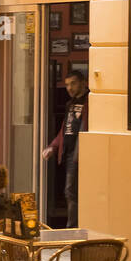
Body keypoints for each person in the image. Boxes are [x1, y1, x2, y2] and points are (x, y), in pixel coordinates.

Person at [43, 70, 88, 226]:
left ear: (83, 82)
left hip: (80, 153)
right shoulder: (70, 104)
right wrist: (53, 147)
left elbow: (85, 128)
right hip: (68, 152)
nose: (69, 88)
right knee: (71, 191)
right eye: (67, 84)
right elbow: (64, 129)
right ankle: (73, 226)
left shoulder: (88, 101)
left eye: (73, 83)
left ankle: (72, 228)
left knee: (71, 191)